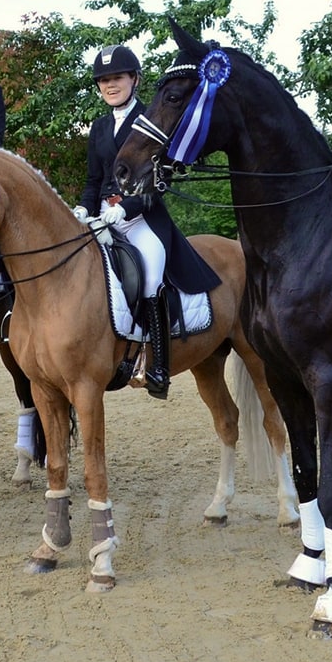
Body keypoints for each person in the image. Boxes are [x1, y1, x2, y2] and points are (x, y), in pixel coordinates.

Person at [73, 44, 220, 400]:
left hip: (143, 218)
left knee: (151, 275)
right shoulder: (99, 128)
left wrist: (128, 207)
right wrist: (82, 209)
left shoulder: (153, 117)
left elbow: (160, 180)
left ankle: (155, 366)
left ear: (134, 79)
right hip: (102, 217)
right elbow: (94, 180)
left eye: (117, 78)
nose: (110, 85)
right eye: (104, 80)